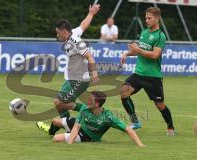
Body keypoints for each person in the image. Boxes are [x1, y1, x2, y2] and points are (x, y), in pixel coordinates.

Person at [37, 4, 100, 135]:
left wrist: (94, 73)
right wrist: (91, 14)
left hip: (80, 80)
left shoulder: (76, 41)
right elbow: (83, 25)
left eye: (58, 32)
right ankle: (65, 128)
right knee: (59, 103)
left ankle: (93, 112)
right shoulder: (73, 33)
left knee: (59, 102)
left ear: (64, 31)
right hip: (71, 79)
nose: (57, 34)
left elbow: (90, 56)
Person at [120, 7, 175, 136]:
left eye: (149, 18)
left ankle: (170, 127)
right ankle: (135, 122)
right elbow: (140, 50)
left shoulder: (160, 36)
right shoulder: (144, 32)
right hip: (138, 74)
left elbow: (155, 55)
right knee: (123, 92)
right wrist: (127, 53)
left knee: (160, 105)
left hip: (153, 77)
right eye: (146, 18)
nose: (146, 20)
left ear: (157, 18)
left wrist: (138, 50)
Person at [37, 91, 145, 147]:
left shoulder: (108, 117)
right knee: (55, 122)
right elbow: (76, 127)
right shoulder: (85, 108)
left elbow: (128, 129)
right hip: (80, 127)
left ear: (97, 104)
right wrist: (70, 143)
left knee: (56, 139)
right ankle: (50, 131)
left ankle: (65, 134)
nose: (87, 101)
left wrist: (140, 144)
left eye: (90, 99)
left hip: (88, 136)